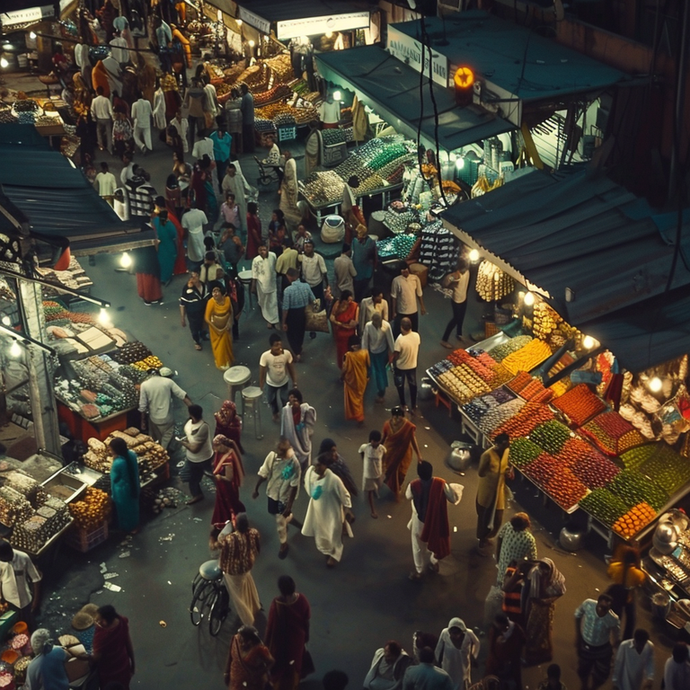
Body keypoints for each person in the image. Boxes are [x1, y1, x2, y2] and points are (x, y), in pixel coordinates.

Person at [406, 461, 459, 581]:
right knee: (435, 540)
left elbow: (408, 496)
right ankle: (434, 561)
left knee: (417, 546)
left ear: (418, 474)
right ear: (431, 472)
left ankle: (419, 570)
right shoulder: (441, 483)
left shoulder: (413, 485)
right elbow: (452, 498)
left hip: (419, 522)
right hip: (436, 522)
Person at [302, 455, 353, 567]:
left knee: (333, 532)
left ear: (326, 466)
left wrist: (347, 509)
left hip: (332, 511)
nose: (316, 468)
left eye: (319, 465)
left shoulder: (334, 480)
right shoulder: (312, 474)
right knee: (322, 533)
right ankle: (326, 551)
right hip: (318, 511)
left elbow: (345, 495)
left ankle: (334, 555)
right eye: (315, 465)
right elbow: (308, 486)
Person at [253, 440, 301, 559]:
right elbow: (264, 472)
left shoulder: (294, 464)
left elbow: (294, 486)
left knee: (280, 522)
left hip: (285, 496)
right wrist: (256, 488)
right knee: (274, 513)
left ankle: (283, 544)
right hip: (272, 492)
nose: (278, 455)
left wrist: (289, 506)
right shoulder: (272, 456)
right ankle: (289, 519)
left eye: (281, 453)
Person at [265, 576, 311, 690]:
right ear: (294, 585)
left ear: (281, 589)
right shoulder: (302, 600)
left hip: (281, 641)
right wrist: (306, 636)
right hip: (298, 640)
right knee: (295, 663)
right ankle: (294, 684)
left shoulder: (277, 604)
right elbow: (307, 620)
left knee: (281, 664)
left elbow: (271, 625)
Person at [219, 514, 261, 626]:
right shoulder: (254, 533)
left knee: (238, 596)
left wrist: (222, 568)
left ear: (236, 525)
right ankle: (255, 604)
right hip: (247, 567)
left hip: (233, 572)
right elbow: (257, 548)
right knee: (247, 583)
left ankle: (248, 619)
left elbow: (223, 557)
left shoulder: (229, 539)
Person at [523, 558, 566, 665]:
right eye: (542, 567)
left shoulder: (556, 577)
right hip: (536, 607)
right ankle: (534, 650)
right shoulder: (536, 574)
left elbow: (559, 592)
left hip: (546, 608)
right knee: (533, 628)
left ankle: (541, 652)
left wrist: (547, 601)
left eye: (546, 568)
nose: (544, 571)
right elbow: (533, 594)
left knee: (544, 629)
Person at [575, 593, 621, 690]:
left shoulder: (613, 619)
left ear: (609, 608)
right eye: (601, 607)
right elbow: (577, 615)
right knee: (583, 670)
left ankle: (593, 687)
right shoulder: (588, 604)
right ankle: (584, 686)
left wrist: (613, 647)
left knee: (602, 674)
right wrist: (578, 636)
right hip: (585, 644)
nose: (602, 611)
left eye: (605, 609)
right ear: (597, 603)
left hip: (602, 648)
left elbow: (616, 636)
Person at [138, 369, 191, 448]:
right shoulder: (168, 382)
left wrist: (143, 422)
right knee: (167, 436)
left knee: (154, 436)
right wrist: (193, 411)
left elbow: (142, 406)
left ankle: (155, 449)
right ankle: (163, 450)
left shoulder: (144, 385)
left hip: (154, 418)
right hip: (167, 418)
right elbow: (183, 395)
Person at [475, 434, 512, 550]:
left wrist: (508, 471)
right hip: (487, 491)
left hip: (499, 491)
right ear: (498, 444)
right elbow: (480, 473)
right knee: (484, 518)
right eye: (505, 444)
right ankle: (482, 540)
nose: (507, 445)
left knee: (498, 518)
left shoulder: (506, 452)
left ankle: (489, 535)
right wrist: (492, 476)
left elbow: (506, 465)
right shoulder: (487, 455)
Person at [382, 406, 423, 500]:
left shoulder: (408, 426)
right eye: (395, 416)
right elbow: (384, 438)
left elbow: (413, 440)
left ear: (403, 417)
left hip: (403, 454)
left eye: (399, 416)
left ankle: (397, 486)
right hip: (390, 453)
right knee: (390, 471)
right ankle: (395, 488)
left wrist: (419, 455)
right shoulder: (387, 425)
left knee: (401, 474)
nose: (396, 419)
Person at [606, 545, 645, 641]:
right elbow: (641, 580)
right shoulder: (637, 573)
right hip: (629, 596)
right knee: (631, 620)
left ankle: (612, 636)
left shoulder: (614, 567)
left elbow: (609, 574)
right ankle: (626, 639)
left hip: (615, 594)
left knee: (615, 617)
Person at [91, 605, 135, 689]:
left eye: (100, 620)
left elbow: (96, 657)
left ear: (106, 621)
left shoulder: (102, 635)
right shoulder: (121, 621)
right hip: (124, 665)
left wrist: (86, 657)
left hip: (109, 672)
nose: (98, 622)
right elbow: (128, 643)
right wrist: (132, 664)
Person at [0, 540, 41, 626]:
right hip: (9, 600)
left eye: (6, 559)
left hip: (25, 600)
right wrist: (2, 600)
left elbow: (36, 578)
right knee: (13, 626)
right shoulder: (1, 560)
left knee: (29, 623)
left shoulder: (23, 557)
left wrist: (35, 601)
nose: (5, 561)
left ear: (11, 552)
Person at [181, 404, 214, 505]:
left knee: (213, 475)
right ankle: (197, 494)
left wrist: (183, 443)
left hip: (204, 458)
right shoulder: (189, 423)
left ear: (191, 414)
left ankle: (223, 490)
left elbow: (195, 449)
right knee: (193, 478)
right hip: (192, 459)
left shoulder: (203, 428)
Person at [260, 334, 298, 422]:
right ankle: (275, 413)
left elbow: (291, 368)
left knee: (285, 399)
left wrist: (294, 382)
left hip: (284, 382)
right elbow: (262, 371)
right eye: (276, 346)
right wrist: (261, 384)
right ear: (271, 347)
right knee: (271, 399)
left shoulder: (286, 354)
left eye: (280, 345)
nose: (279, 348)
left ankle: (285, 414)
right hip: (271, 383)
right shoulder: (265, 356)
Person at [211, 435, 246, 529]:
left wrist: (220, 477)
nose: (215, 449)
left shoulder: (228, 460)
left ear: (222, 445)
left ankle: (230, 521)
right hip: (221, 486)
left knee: (228, 504)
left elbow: (229, 478)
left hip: (226, 487)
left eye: (216, 446)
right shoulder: (220, 452)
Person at [435, 618, 480, 690]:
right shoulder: (444, 633)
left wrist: (474, 656)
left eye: (456, 633)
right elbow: (438, 649)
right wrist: (437, 662)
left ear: (461, 632)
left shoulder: (469, 634)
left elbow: (477, 643)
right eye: (452, 633)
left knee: (463, 685)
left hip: (463, 667)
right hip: (448, 667)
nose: (453, 636)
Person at [281, 268, 315, 361]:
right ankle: (299, 348)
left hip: (292, 315)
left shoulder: (288, 290)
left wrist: (283, 322)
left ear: (290, 277)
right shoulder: (306, 286)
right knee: (300, 332)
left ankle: (296, 353)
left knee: (291, 335)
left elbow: (285, 308)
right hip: (303, 313)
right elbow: (313, 300)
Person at [108, 437, 141, 534]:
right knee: (133, 507)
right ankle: (135, 525)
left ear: (115, 450)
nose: (110, 451)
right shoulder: (132, 454)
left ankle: (128, 528)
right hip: (134, 485)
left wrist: (113, 461)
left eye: (111, 449)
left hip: (123, 491)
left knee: (125, 510)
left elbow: (114, 477)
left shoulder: (118, 463)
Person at [225, 625, 273, 690]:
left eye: (245, 639)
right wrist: (226, 672)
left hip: (250, 685)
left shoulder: (258, 648)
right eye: (241, 638)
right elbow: (230, 656)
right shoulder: (235, 640)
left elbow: (270, 661)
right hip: (235, 683)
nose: (242, 642)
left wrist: (258, 672)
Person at [485, 614, 525, 690]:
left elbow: (523, 640)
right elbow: (491, 647)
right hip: (497, 664)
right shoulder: (494, 630)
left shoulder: (515, 629)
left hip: (512, 663)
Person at [362, 311, 394, 405]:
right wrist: (364, 353)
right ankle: (379, 386)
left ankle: (381, 391)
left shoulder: (386, 326)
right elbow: (365, 340)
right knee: (374, 369)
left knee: (380, 371)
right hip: (372, 352)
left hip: (382, 353)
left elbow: (390, 340)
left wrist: (393, 354)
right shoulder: (368, 326)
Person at [495, 513, 538, 584]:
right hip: (515, 570)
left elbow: (499, 538)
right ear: (526, 525)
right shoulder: (529, 539)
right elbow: (533, 559)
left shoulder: (508, 526)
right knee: (510, 586)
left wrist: (498, 557)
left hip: (502, 563)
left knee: (500, 582)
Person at [280, 389, 317, 470]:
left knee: (304, 460)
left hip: (303, 440)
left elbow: (311, 422)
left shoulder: (304, 411)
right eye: (291, 400)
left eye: (295, 400)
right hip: (292, 441)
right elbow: (284, 427)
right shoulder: (287, 412)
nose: (293, 403)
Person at [392, 317, 421, 413]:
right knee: (413, 385)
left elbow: (396, 354)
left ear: (402, 327)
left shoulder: (400, 340)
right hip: (412, 365)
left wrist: (392, 363)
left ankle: (403, 404)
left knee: (400, 385)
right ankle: (413, 406)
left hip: (401, 367)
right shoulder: (417, 336)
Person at [441, 259, 470, 348]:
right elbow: (445, 284)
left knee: (461, 317)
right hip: (456, 301)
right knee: (455, 319)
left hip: (464, 298)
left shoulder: (467, 272)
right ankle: (444, 340)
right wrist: (451, 279)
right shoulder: (455, 276)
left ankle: (459, 333)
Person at [205, 282, 234, 370]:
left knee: (226, 345)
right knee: (219, 347)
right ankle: (221, 362)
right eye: (213, 292)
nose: (215, 294)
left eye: (217, 291)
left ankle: (227, 360)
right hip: (216, 330)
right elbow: (207, 318)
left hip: (226, 328)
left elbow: (231, 312)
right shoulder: (211, 302)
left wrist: (229, 323)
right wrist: (217, 329)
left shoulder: (228, 300)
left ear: (222, 292)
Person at [391, 264, 426, 336]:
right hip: (401, 311)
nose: (405, 271)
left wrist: (422, 307)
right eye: (403, 270)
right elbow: (394, 297)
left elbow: (419, 293)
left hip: (413, 310)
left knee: (414, 331)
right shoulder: (396, 281)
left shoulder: (415, 279)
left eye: (406, 269)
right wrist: (393, 311)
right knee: (398, 332)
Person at [342, 335, 370, 424]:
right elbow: (368, 365)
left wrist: (341, 377)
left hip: (351, 381)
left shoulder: (348, 356)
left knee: (355, 400)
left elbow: (344, 369)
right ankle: (359, 415)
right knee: (360, 398)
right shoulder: (365, 353)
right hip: (362, 380)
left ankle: (359, 417)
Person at [359, 430, 386, 518]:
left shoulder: (382, 448)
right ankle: (373, 510)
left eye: (378, 441)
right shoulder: (365, 447)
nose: (377, 443)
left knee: (378, 485)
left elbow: (384, 456)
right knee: (370, 492)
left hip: (378, 473)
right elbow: (361, 454)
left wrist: (383, 467)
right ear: (371, 440)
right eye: (375, 441)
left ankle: (375, 490)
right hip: (369, 474)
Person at [252, 245, 279, 329]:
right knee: (264, 302)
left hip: (272, 282)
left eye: (264, 249)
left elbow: (276, 267)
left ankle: (275, 320)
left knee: (274, 302)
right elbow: (254, 273)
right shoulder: (256, 260)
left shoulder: (273, 255)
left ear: (267, 249)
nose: (262, 251)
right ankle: (268, 319)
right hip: (261, 284)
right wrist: (253, 286)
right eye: (260, 250)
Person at [330, 290, 359, 369]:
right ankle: (343, 371)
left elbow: (356, 321)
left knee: (350, 355)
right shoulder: (338, 304)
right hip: (340, 334)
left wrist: (351, 325)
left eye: (351, 300)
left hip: (350, 335)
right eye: (348, 300)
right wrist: (340, 324)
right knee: (341, 354)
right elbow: (332, 317)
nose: (350, 302)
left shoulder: (355, 306)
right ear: (344, 300)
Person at [179, 271, 208, 351]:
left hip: (203, 310)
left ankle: (203, 334)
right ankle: (197, 341)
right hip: (193, 313)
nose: (196, 278)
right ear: (190, 279)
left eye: (197, 276)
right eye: (194, 277)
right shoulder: (187, 289)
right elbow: (182, 304)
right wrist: (182, 318)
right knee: (194, 328)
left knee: (204, 324)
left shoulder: (203, 285)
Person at [222, 164, 252, 237]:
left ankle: (245, 230)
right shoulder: (226, 179)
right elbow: (225, 190)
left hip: (241, 198)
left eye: (231, 171)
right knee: (233, 217)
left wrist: (248, 193)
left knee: (242, 214)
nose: (230, 173)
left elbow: (244, 185)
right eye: (229, 172)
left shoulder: (238, 176)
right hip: (233, 200)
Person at [352, 226, 377, 302]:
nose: (357, 237)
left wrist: (374, 267)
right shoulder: (355, 242)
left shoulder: (371, 243)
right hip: (357, 272)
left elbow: (374, 257)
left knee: (365, 291)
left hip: (367, 272)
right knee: (357, 291)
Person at [152, 209, 178, 286]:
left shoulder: (156, 221)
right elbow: (174, 235)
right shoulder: (170, 225)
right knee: (169, 262)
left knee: (161, 262)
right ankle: (167, 278)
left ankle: (161, 278)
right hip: (169, 245)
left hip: (160, 246)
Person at [181, 201, 208, 272]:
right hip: (201, 235)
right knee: (202, 251)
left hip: (191, 237)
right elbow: (205, 224)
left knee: (193, 254)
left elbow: (185, 229)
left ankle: (195, 271)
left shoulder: (185, 216)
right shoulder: (201, 213)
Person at [183, 77, 207, 148]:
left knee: (191, 129)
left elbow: (185, 102)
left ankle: (191, 144)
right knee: (201, 129)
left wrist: (185, 105)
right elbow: (204, 101)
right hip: (200, 112)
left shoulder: (189, 90)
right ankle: (201, 144)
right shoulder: (202, 91)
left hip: (191, 112)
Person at [92, 86, 114, 153]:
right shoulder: (106, 100)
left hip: (99, 119)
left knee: (99, 132)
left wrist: (94, 118)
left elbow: (92, 110)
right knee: (108, 133)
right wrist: (113, 118)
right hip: (107, 118)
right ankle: (109, 148)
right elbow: (110, 111)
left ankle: (101, 146)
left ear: (97, 92)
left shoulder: (94, 100)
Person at [209, 122, 232, 188]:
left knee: (227, 173)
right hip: (218, 158)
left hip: (225, 157)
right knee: (220, 174)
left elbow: (225, 146)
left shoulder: (228, 137)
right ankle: (222, 188)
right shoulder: (213, 136)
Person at [225, 87, 243, 155]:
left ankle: (233, 150)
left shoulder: (228, 102)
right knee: (239, 135)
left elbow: (226, 107)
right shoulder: (240, 100)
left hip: (231, 120)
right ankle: (240, 149)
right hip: (239, 119)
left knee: (232, 136)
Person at [240, 83, 255, 153]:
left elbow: (242, 108)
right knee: (251, 135)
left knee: (247, 135)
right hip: (251, 118)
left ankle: (248, 149)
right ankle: (252, 148)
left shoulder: (245, 97)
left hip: (246, 119)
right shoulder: (250, 96)